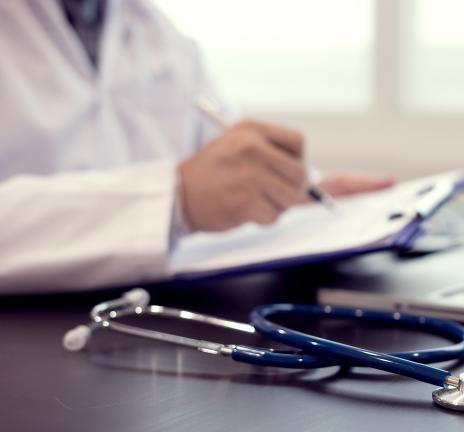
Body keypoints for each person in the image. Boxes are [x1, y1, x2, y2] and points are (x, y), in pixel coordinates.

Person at [0, 0, 393, 294]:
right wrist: (176, 198)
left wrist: (285, 191)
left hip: (149, 312)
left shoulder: (156, 31)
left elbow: (221, 165)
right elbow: (188, 189)